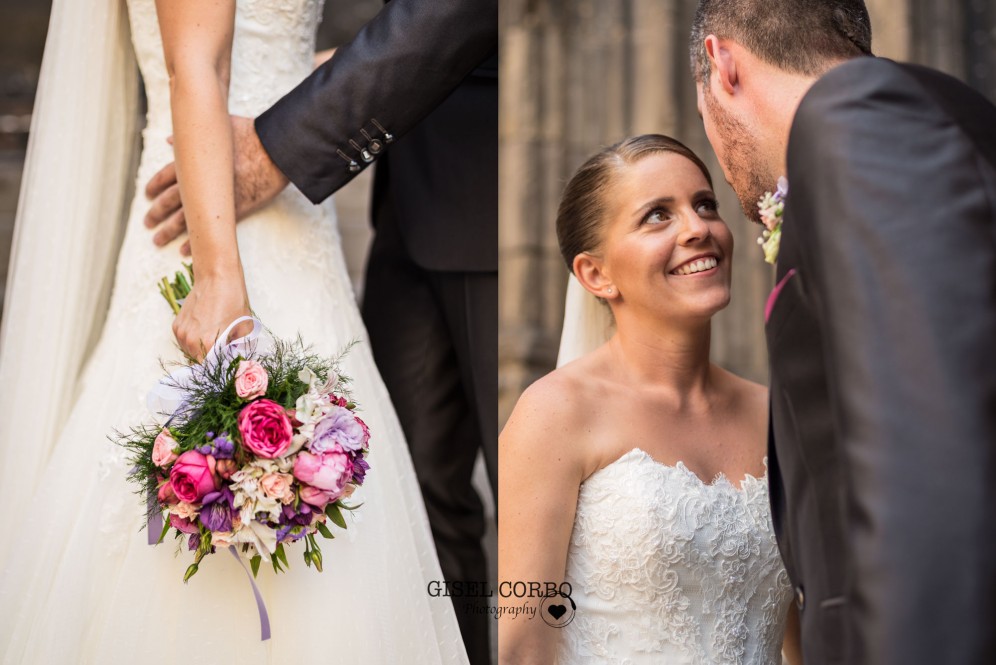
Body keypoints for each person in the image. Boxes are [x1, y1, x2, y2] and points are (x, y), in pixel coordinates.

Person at [0, 0, 474, 661]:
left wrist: (305, 108)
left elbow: (273, 51)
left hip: (288, 206)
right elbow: (197, 62)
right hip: (214, 220)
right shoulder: (221, 269)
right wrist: (221, 281)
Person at [142, 1, 498, 658]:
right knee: (422, 510)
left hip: (494, 177)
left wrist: (291, 130)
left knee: (530, 513)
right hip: (376, 190)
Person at [690, 0, 996, 662]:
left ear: (723, 64)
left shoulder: (858, 117)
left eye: (702, 121)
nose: (717, 157)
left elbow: (927, 461)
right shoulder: (931, 113)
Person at [498, 135, 800, 664]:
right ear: (597, 274)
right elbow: (524, 645)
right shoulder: (556, 414)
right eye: (657, 216)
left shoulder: (778, 415)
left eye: (705, 205)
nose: (697, 228)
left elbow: (803, 638)